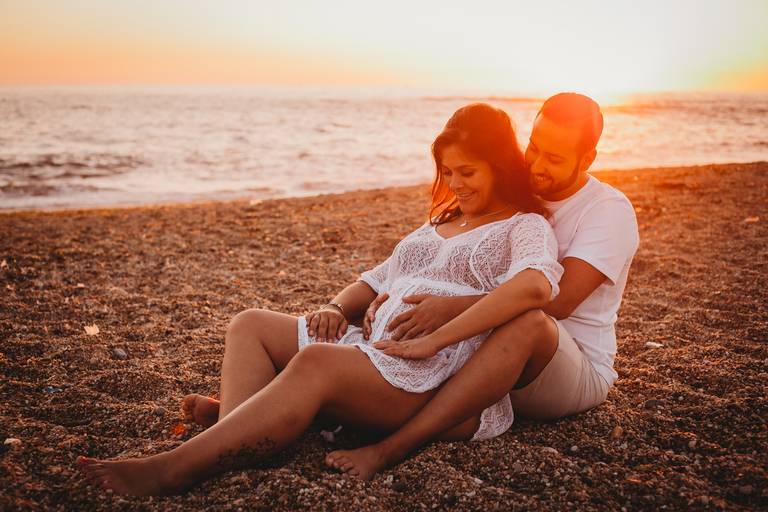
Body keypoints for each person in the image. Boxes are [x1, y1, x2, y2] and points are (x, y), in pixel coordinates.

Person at [76, 102, 566, 496]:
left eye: (468, 172)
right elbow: (374, 279)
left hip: (427, 372)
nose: (455, 184)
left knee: (314, 363)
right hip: (373, 347)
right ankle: (236, 428)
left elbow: (535, 287)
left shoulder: (524, 226)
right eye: (447, 172)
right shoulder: (442, 221)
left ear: (499, 166)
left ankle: (172, 469)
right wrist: (335, 307)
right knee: (250, 324)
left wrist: (435, 332)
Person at [324, 92, 640, 480]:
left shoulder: (606, 210)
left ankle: (391, 448)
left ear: (587, 159)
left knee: (528, 321)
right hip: (485, 349)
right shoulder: (518, 190)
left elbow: (556, 303)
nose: (537, 165)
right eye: (534, 148)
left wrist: (450, 308)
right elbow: (437, 260)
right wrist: (387, 295)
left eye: (555, 159)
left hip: (565, 364)